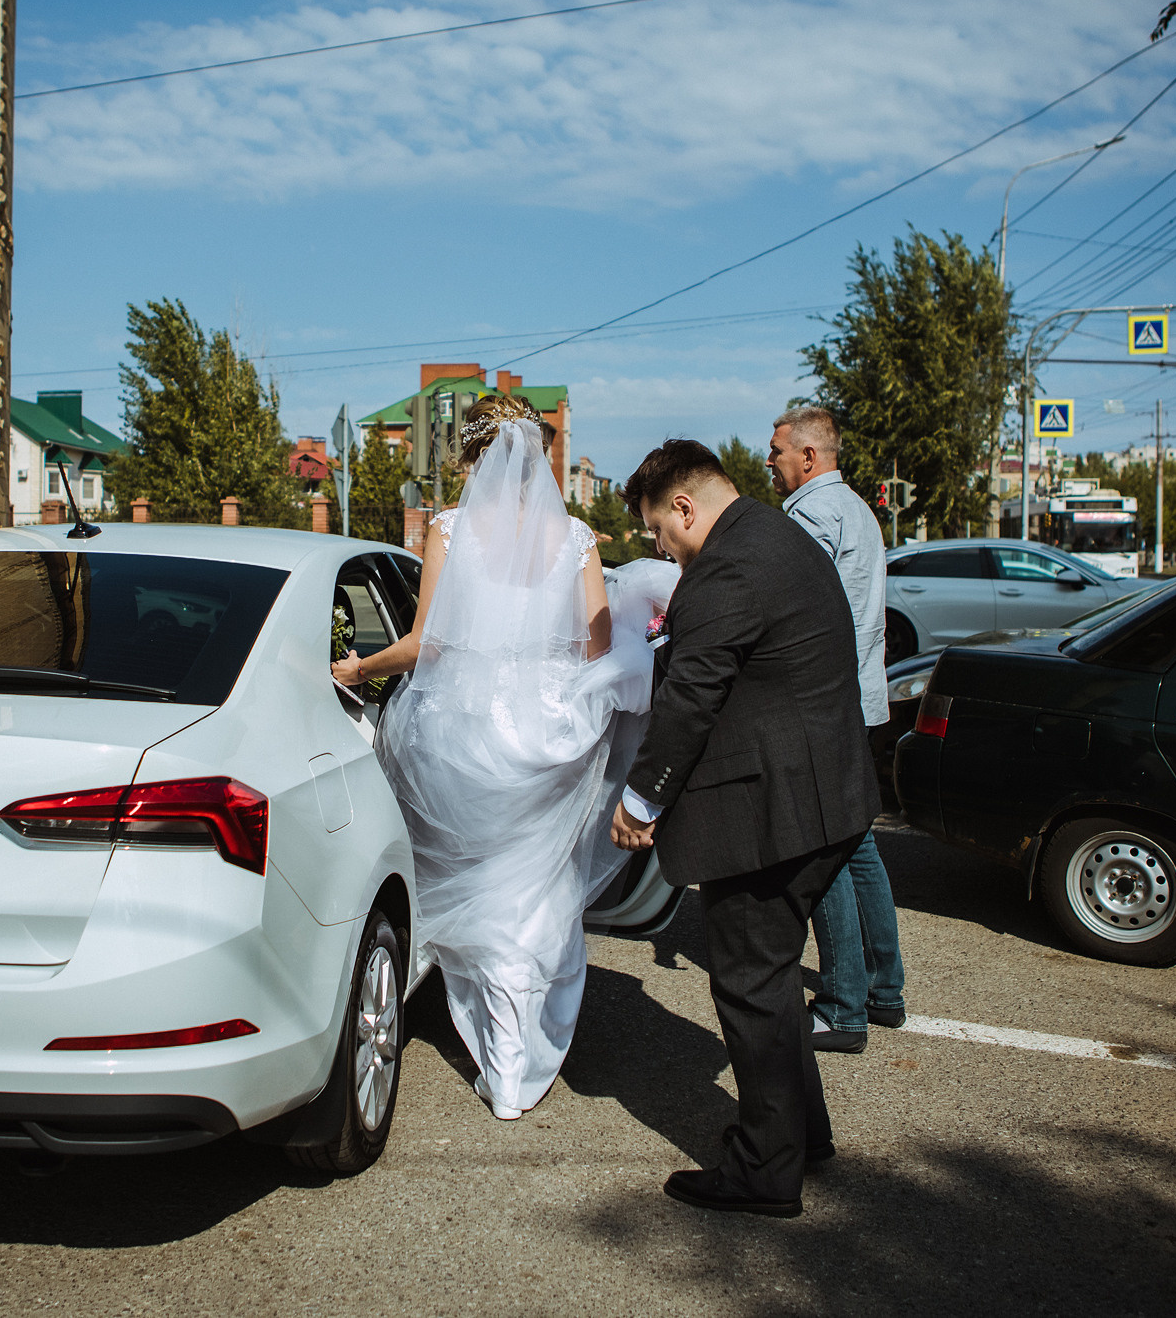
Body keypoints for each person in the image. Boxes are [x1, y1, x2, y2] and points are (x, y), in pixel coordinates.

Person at [334, 395, 673, 1121]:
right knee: (535, 887)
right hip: (548, 737)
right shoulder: (575, 536)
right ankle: (515, 1063)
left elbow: (427, 644)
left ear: (473, 459)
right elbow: (595, 649)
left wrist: (359, 669)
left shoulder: (450, 529)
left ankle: (500, 1052)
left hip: (462, 735)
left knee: (478, 881)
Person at [610, 440, 880, 1218]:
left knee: (751, 983)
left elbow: (692, 696)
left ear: (685, 506)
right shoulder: (775, 532)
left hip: (773, 812)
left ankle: (764, 1171)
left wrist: (640, 801)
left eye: (659, 528)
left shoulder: (726, 568)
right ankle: (802, 1134)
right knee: (772, 977)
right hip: (824, 794)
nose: (660, 545)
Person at [766, 407, 907, 1055]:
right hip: (860, 699)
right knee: (856, 846)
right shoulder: (857, 509)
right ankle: (883, 990)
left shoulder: (812, 514)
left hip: (821, 705)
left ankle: (843, 1007)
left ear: (808, 457)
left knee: (819, 850)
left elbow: (789, 611)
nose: (770, 461)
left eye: (777, 451)